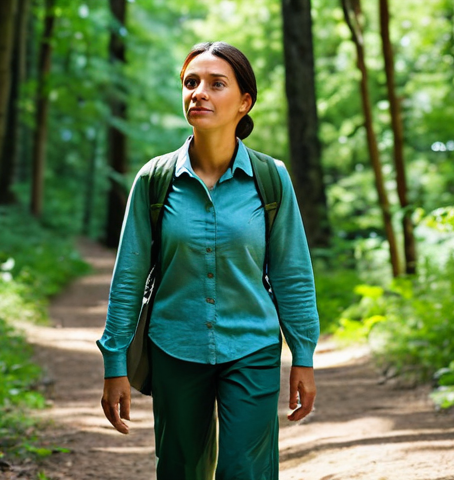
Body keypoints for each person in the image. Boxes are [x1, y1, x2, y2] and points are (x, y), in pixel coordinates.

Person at [97, 41, 320, 480]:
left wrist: (304, 355)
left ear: (244, 102)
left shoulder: (270, 179)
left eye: (217, 84)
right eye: (191, 83)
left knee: (245, 470)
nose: (199, 92)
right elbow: (128, 279)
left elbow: (292, 274)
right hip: (174, 346)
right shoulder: (154, 180)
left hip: (252, 347)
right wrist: (114, 363)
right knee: (182, 469)